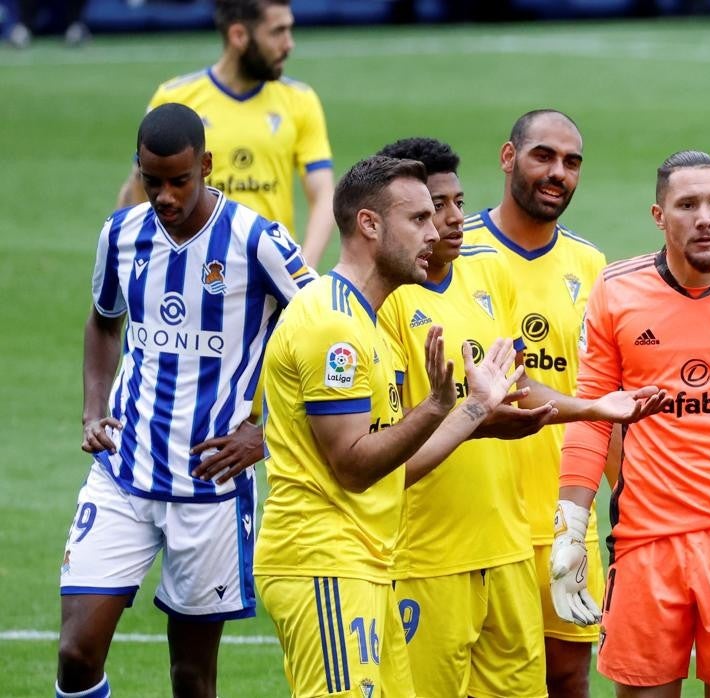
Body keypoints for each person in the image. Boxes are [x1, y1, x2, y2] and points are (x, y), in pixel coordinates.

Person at [374, 137, 664, 698]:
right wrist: (476, 414)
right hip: (427, 549)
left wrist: (593, 408)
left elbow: (517, 385)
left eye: (458, 202)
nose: (453, 219)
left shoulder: (493, 272)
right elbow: (387, 439)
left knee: (550, 682)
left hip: (516, 536)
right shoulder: (383, 301)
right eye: (436, 208)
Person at [59, 102, 315, 698]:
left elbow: (328, 331)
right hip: (123, 471)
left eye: (179, 181)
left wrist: (266, 431)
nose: (166, 196)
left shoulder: (258, 241)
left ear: (206, 165)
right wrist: (94, 409)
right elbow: (103, 322)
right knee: (76, 653)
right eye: (152, 181)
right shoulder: (120, 234)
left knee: (191, 677)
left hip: (210, 486)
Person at [254, 154, 528, 696]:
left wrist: (473, 407)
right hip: (324, 564)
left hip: (369, 563)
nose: (437, 232)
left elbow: (393, 473)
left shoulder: (369, 323)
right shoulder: (333, 324)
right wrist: (434, 408)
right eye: (419, 219)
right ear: (370, 225)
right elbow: (354, 468)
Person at [555, 150, 710, 697]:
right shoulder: (617, 290)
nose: (704, 217)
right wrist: (570, 523)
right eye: (687, 204)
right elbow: (591, 413)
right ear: (659, 216)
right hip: (647, 540)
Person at [462, 109, 608, 697]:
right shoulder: (456, 251)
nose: (558, 173)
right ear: (507, 157)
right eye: (543, 156)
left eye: (571, 163)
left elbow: (599, 398)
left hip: (564, 518)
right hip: (478, 516)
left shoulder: (592, 267)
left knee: (569, 674)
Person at [118, 0, 335, 269]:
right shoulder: (175, 97)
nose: (289, 44)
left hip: (269, 271)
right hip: (191, 270)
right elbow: (139, 185)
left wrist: (302, 269)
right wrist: (132, 264)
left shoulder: (300, 100)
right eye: (277, 32)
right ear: (239, 36)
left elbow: (324, 193)